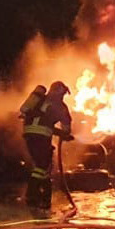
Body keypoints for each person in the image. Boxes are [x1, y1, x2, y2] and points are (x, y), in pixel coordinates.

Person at [22, 80, 74, 213]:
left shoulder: (39, 100)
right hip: (42, 137)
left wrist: (58, 132)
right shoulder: (60, 106)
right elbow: (66, 126)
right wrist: (66, 134)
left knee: (43, 166)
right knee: (41, 167)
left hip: (29, 135)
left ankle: (44, 197)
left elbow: (41, 122)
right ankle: (31, 195)